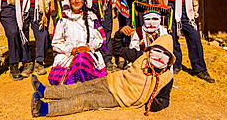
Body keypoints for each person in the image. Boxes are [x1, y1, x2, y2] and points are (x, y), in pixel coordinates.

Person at [30, 33, 175, 117]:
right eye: (157, 51)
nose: (159, 56)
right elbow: (117, 48)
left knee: (86, 99)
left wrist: (156, 103)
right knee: (81, 87)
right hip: (112, 80)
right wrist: (120, 34)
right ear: (150, 51)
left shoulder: (166, 78)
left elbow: (163, 99)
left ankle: (44, 109)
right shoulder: (141, 57)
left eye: (165, 54)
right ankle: (45, 91)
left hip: (120, 98)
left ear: (169, 60)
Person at [47, 0, 107, 85]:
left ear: (84, 0)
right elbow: (56, 43)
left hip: (88, 54)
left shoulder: (91, 17)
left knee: (80, 61)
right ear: (69, 1)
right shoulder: (64, 19)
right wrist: (71, 50)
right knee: (79, 61)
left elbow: (98, 39)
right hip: (68, 56)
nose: (76, 1)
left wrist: (88, 48)